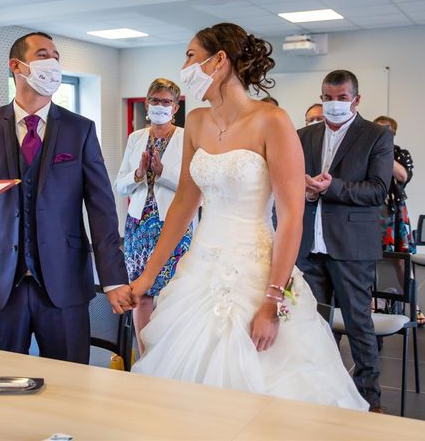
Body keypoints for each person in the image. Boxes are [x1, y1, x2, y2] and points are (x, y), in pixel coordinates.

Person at [128, 22, 368, 411]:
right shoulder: (198, 123)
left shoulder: (272, 121)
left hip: (255, 272)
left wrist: (272, 301)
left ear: (218, 61)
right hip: (199, 269)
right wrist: (148, 276)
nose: (184, 66)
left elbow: (291, 218)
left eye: (190, 56)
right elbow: (184, 205)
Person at [0, 32, 131, 364]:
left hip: (64, 282)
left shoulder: (81, 129)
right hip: (0, 284)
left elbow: (101, 209)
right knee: (0, 380)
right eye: (42, 54)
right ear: (17, 66)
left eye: (56, 55)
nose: (53, 62)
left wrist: (113, 278)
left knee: (70, 386)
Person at [296, 70, 394, 413]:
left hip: (351, 246)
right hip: (310, 245)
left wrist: (331, 187)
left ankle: (370, 399)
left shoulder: (376, 136)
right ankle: (322, 392)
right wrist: (307, 193)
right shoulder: (304, 135)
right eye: (327, 98)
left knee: (358, 324)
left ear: (356, 99)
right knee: (313, 325)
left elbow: (378, 190)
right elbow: (293, 183)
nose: (333, 104)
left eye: (340, 98)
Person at [116, 78, 195, 355]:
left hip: (173, 225)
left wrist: (162, 174)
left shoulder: (188, 138)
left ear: (175, 107)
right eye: (155, 100)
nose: (160, 106)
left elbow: (195, 186)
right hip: (139, 224)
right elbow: (120, 185)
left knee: (173, 292)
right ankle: (144, 354)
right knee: (141, 293)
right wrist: (138, 174)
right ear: (147, 103)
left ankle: (172, 355)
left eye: (166, 102)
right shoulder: (136, 138)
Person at [374, 115, 425, 325]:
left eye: (385, 131)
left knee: (401, 260)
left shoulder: (400, 154)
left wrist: (384, 151)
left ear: (393, 133)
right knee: (371, 259)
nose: (381, 134)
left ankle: (415, 306)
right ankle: (374, 302)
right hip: (372, 211)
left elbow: (403, 176)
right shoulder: (368, 151)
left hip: (394, 213)